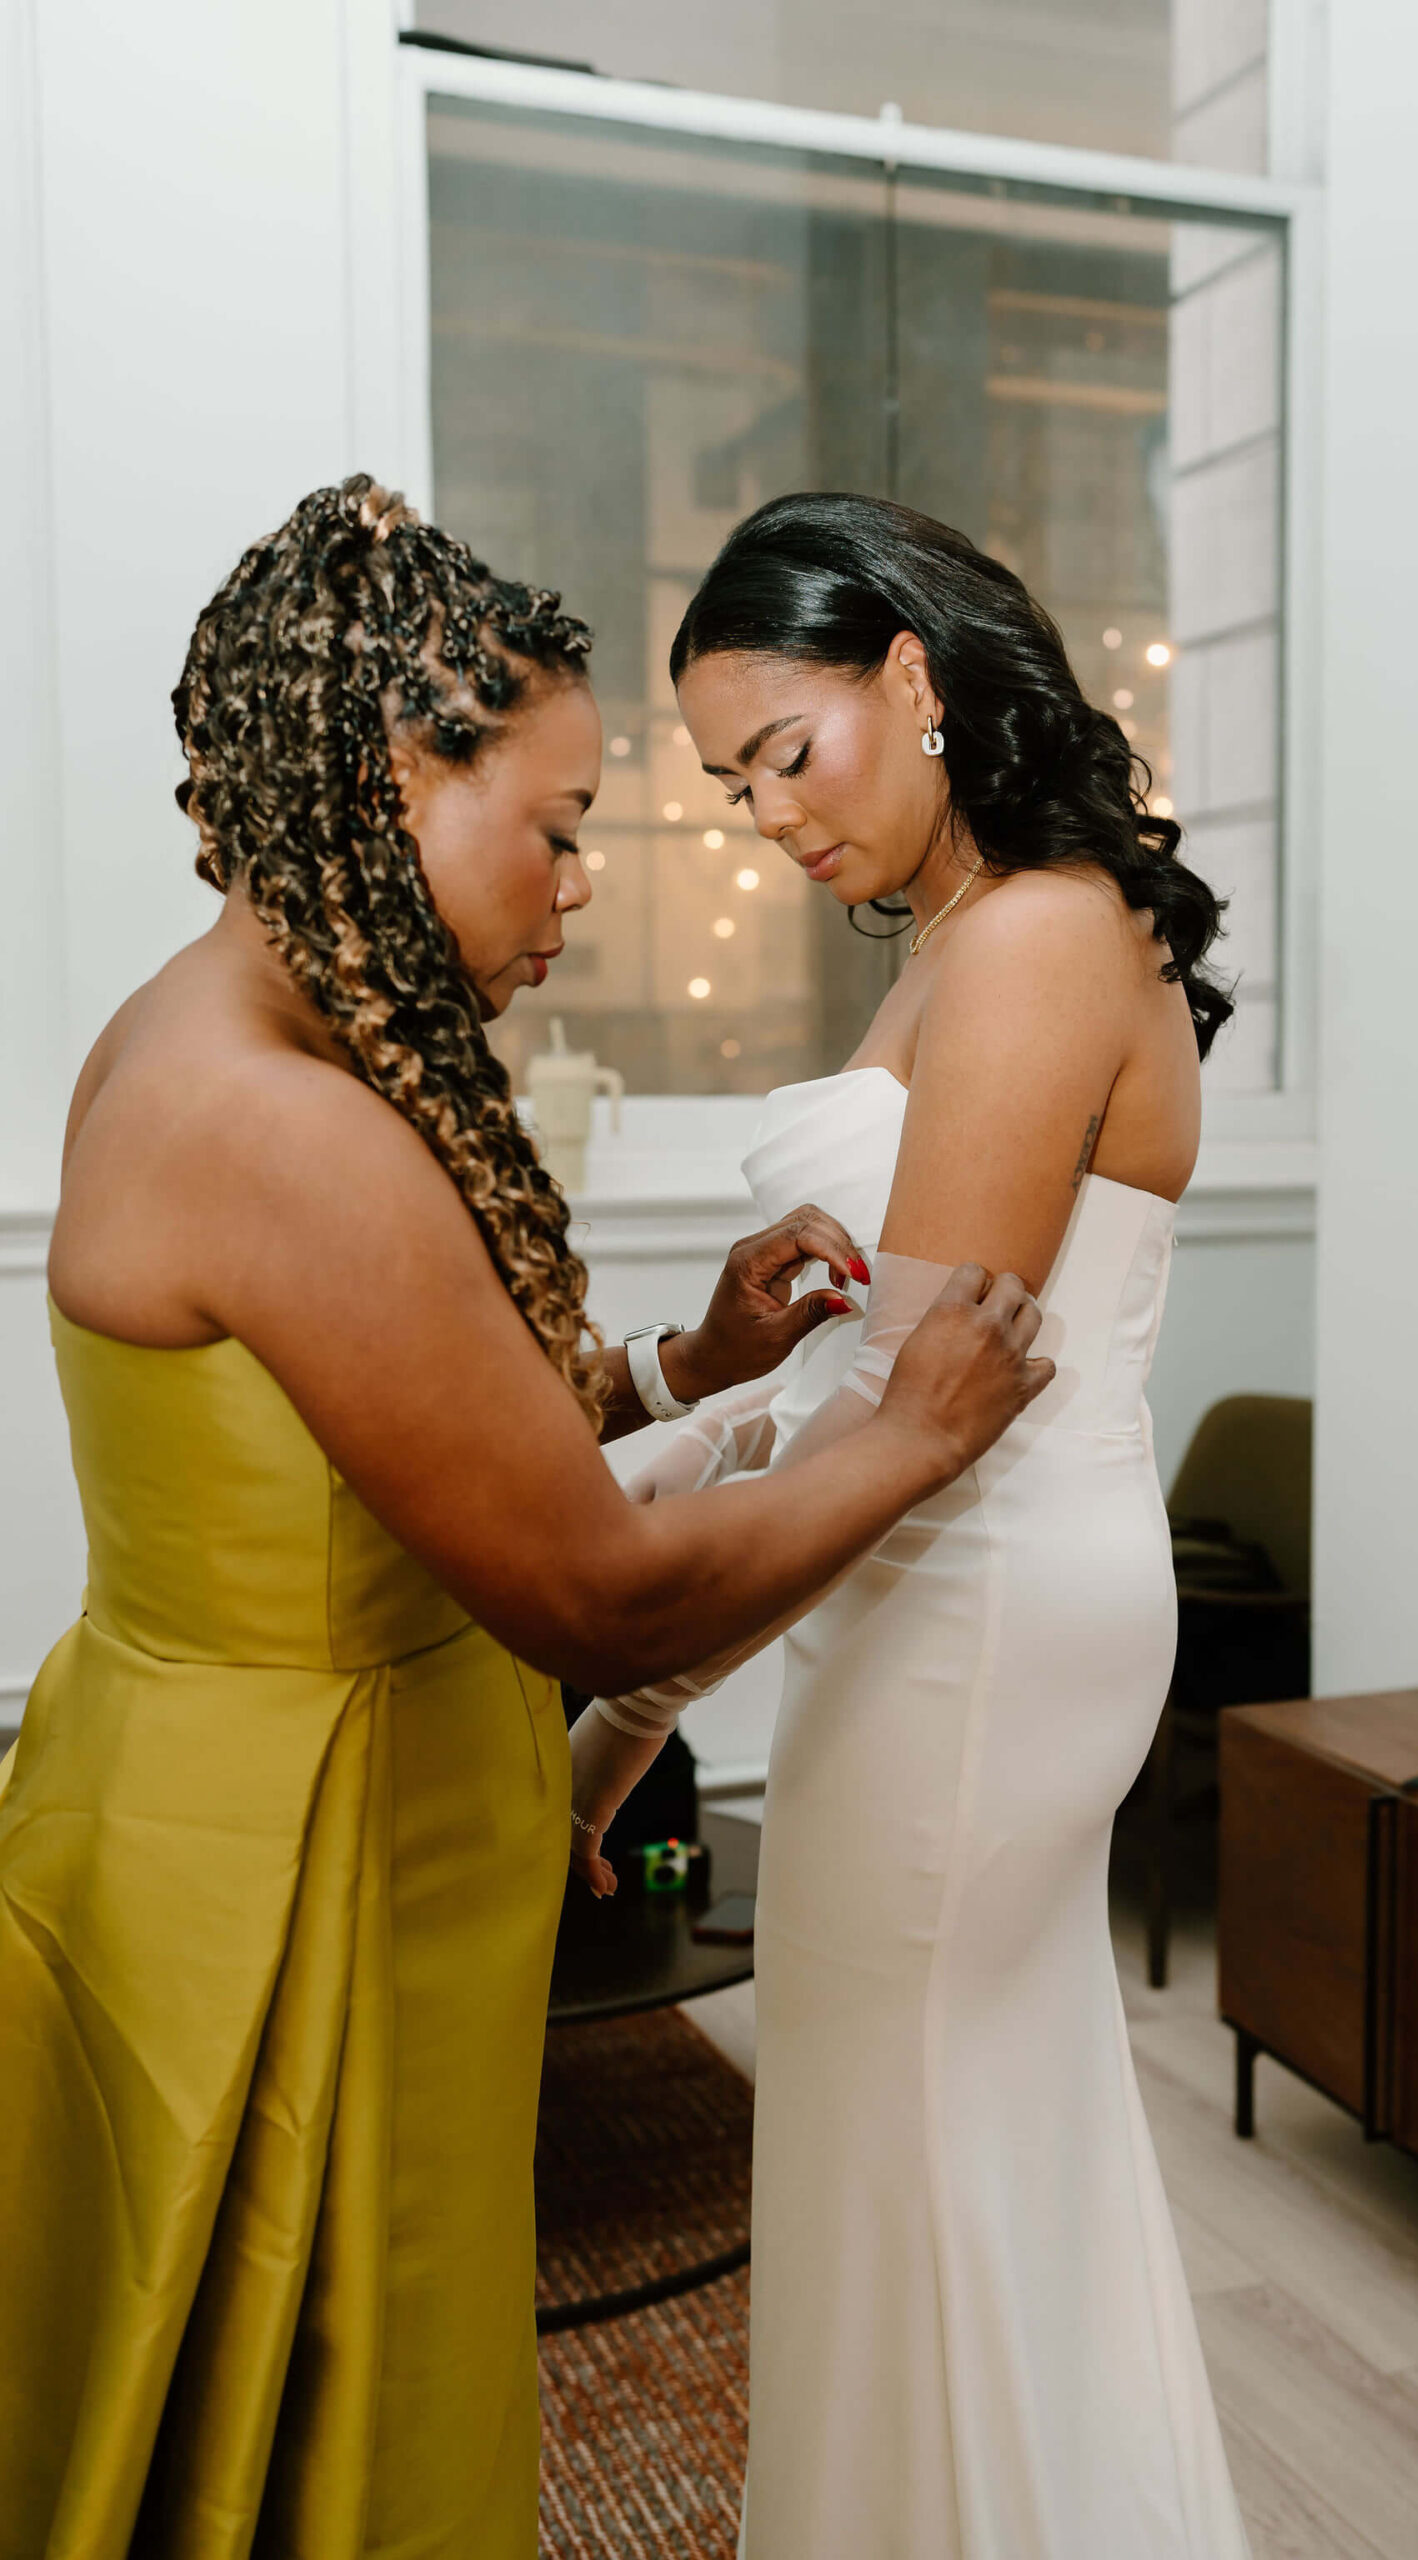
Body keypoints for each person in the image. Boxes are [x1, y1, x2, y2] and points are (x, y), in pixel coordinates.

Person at [0, 476, 1051, 2560]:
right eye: (556, 826)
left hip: (299, 1809)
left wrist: (688, 1363)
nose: (577, 889)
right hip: (289, 1869)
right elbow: (584, 1583)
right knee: (298, 2418)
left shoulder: (251, 1039)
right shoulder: (274, 1121)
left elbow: (392, 1433)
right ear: (404, 765)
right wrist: (904, 1434)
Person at [568, 493, 1251, 2558]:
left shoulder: (1039, 931)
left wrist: (620, 1702)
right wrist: (670, 1431)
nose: (763, 815)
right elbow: (842, 1381)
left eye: (787, 751)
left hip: (977, 1594)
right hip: (942, 1570)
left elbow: (912, 1408)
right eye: (725, 780)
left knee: (904, 2125)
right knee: (940, 2125)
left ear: (916, 678)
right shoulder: (983, 932)